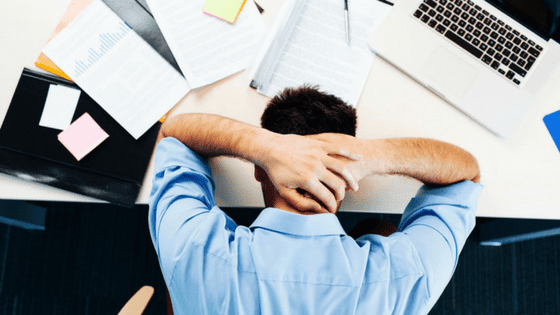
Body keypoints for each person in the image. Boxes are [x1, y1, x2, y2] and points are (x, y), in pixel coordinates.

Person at [148, 86, 483, 315]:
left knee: (177, 268)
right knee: (376, 228)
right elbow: (465, 175)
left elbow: (174, 133)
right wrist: (373, 156)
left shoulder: (194, 249)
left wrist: (261, 148)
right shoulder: (403, 278)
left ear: (259, 172)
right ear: (350, 181)